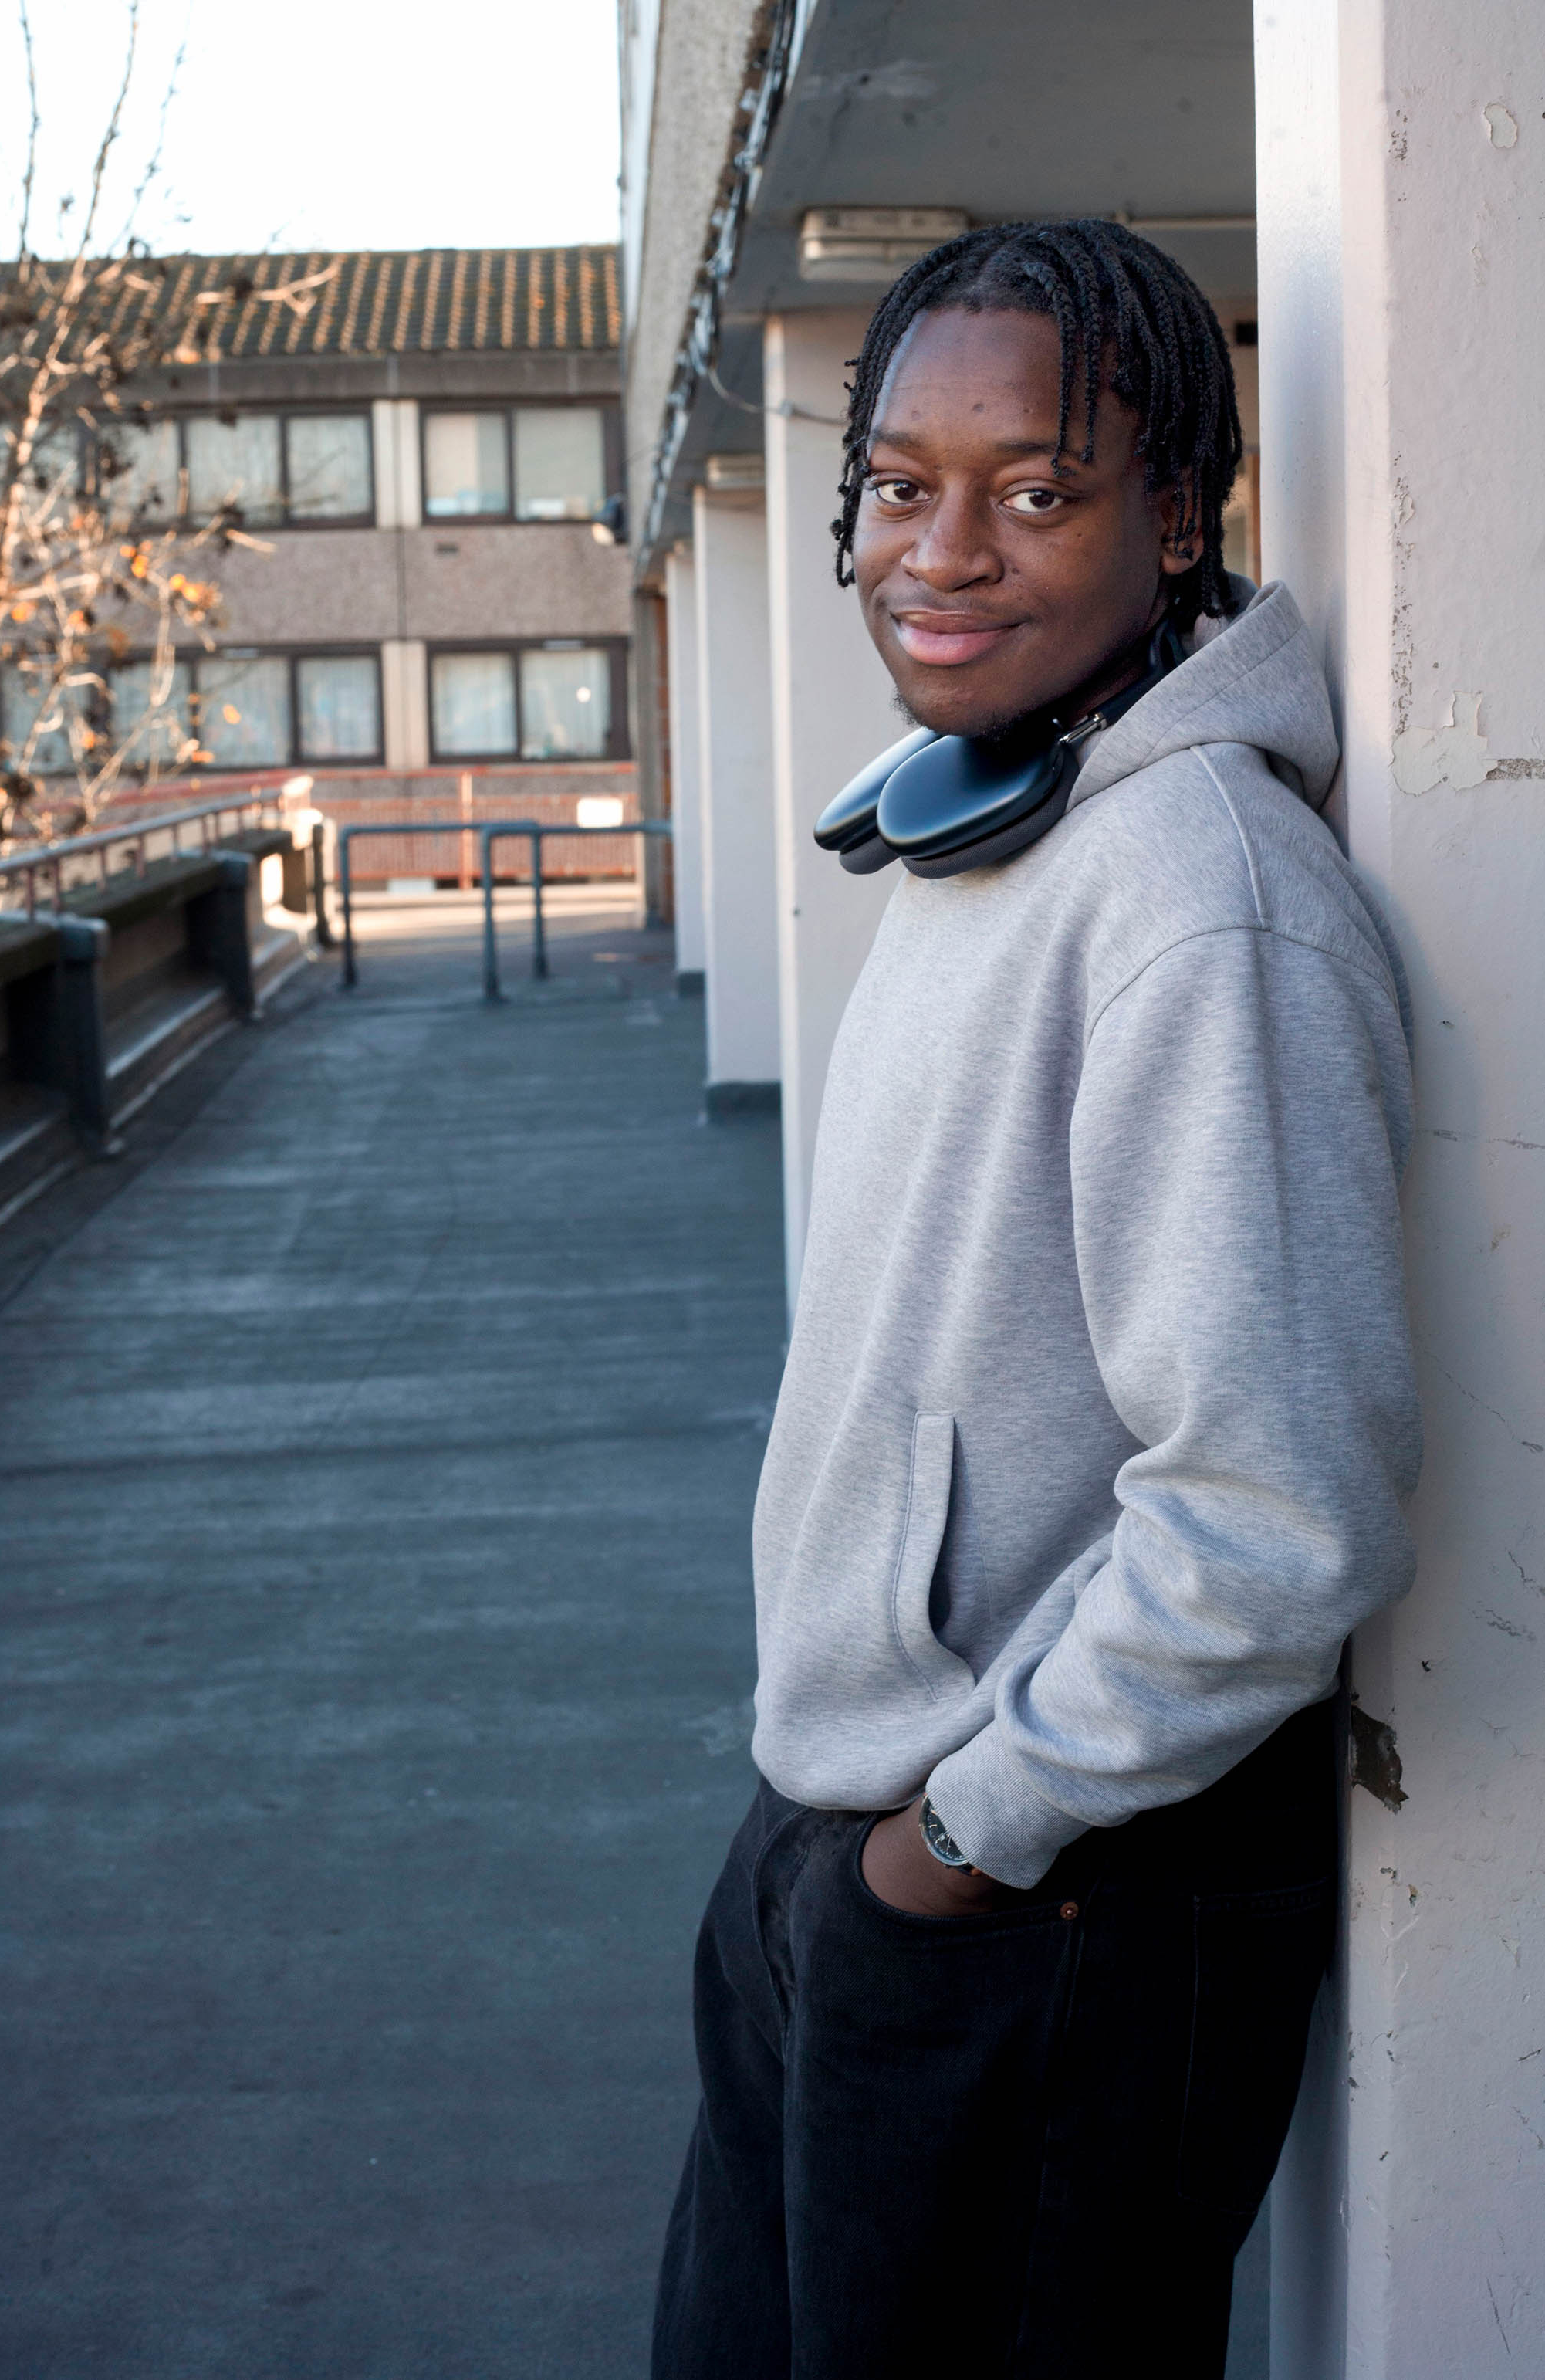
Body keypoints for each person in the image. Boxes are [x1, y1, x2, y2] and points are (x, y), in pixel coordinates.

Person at [651, 221, 1421, 2379]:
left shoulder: (1201, 907)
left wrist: (957, 1842)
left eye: (1037, 485)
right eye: (903, 481)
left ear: (1174, 516)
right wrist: (855, 1852)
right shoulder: (1001, 827)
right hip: (853, 1832)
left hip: (1042, 1893)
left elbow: (1280, 1510)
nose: (944, 549)